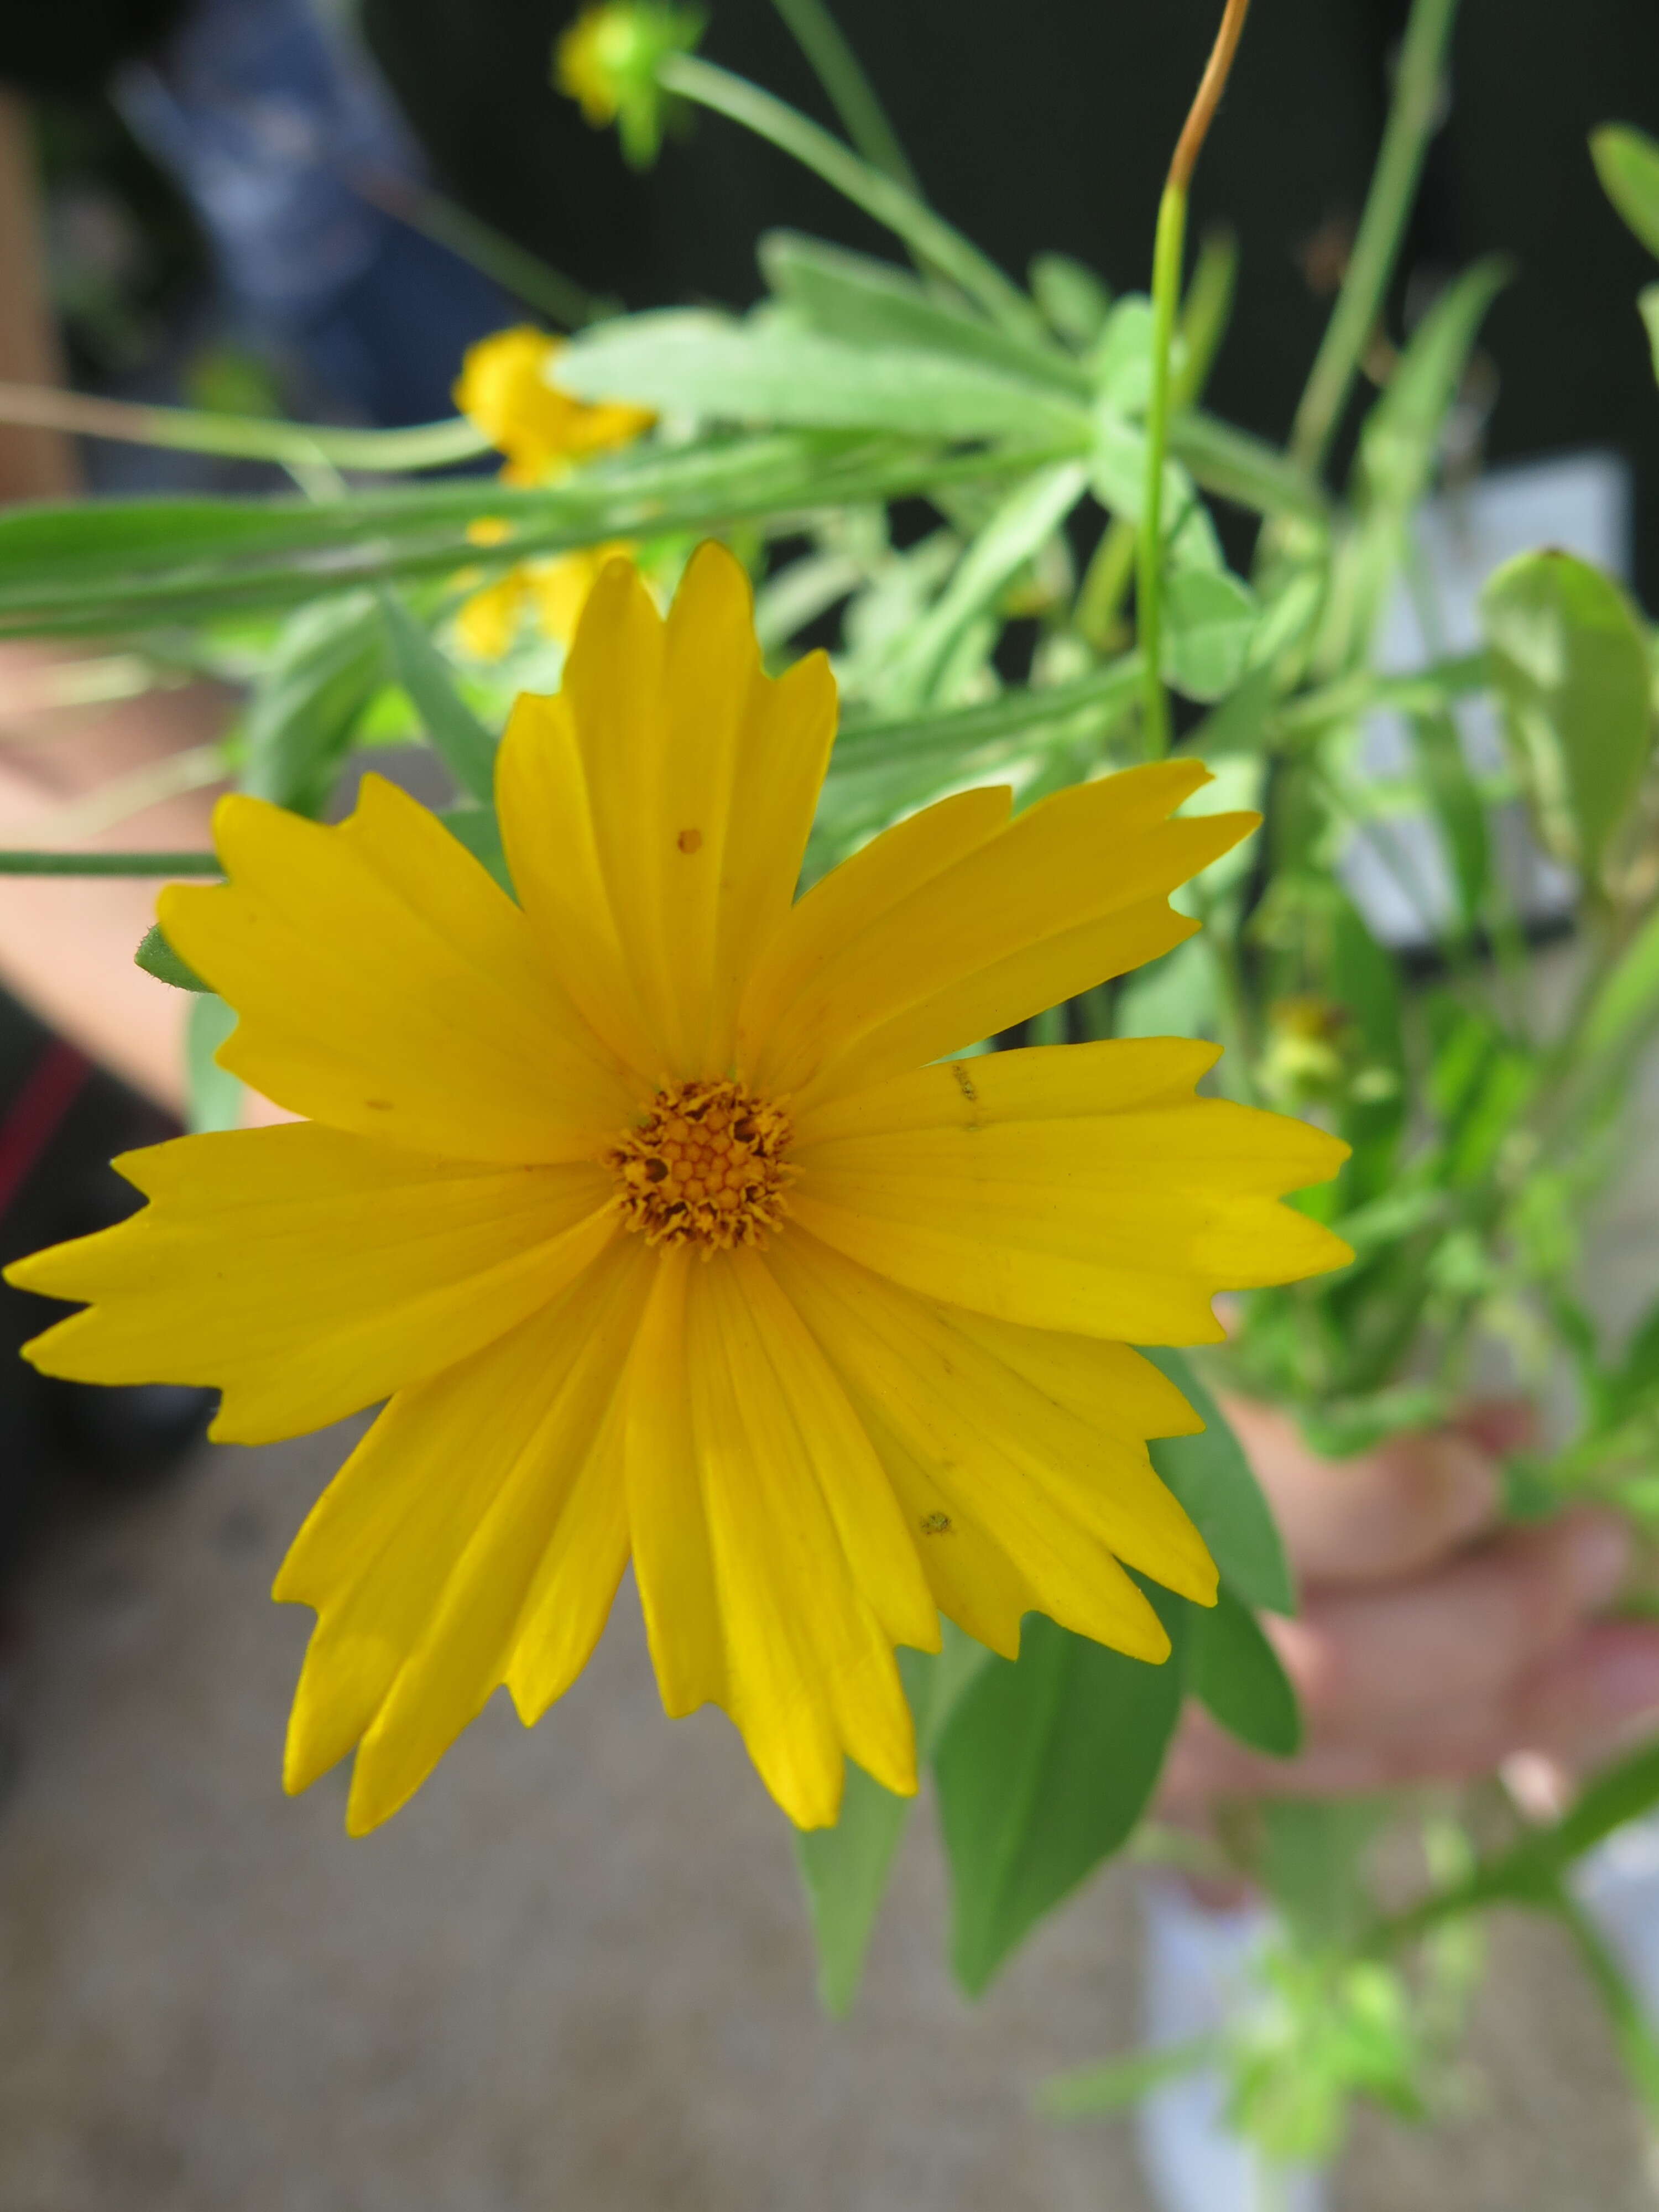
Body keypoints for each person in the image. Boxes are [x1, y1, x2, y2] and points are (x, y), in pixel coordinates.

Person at [3, 6, 1659, 2208]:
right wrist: (1104, 1546)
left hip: (1437, 525)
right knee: (1288, 1510)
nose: (698, 1172)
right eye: (691, 1170)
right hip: (953, 787)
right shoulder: (678, 1067)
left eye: (701, 1164)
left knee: (1470, 1182)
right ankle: (1276, 1901)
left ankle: (1514, 1758)